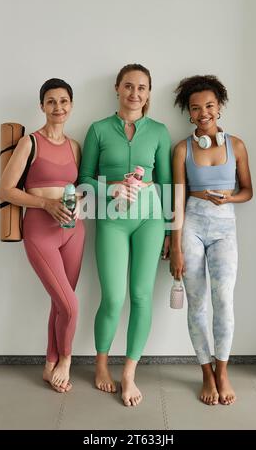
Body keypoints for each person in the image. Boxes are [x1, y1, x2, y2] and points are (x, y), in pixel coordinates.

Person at [79, 64, 172, 406]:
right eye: (129, 86)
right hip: (111, 221)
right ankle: (101, 366)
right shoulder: (99, 129)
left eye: (142, 88)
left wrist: (168, 231)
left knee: (141, 296)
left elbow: (165, 184)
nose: (135, 93)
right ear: (117, 88)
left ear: (149, 92)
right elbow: (83, 180)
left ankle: (130, 373)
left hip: (149, 220)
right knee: (114, 297)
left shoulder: (159, 131)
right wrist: (111, 187)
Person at [0, 78, 85, 393]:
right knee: (71, 305)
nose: (58, 107)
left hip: (74, 230)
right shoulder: (29, 142)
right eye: (51, 101)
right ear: (42, 106)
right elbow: (5, 190)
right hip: (39, 229)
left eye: (63, 101)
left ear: (71, 105)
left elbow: (81, 189)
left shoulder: (75, 145)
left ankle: (49, 365)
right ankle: (66, 359)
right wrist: (46, 204)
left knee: (61, 303)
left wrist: (79, 206)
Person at [171, 75, 253, 405]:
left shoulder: (237, 145)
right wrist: (175, 246)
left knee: (224, 302)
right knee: (197, 303)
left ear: (219, 107)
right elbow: (176, 199)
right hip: (191, 223)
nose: (203, 112)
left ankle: (223, 371)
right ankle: (205, 372)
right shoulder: (181, 149)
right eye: (196, 108)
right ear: (188, 114)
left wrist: (228, 199)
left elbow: (248, 190)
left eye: (209, 106)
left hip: (225, 228)